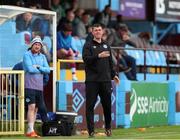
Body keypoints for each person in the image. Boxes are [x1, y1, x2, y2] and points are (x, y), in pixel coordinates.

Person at [82, 24, 119, 137]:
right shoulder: (88, 45)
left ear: (102, 32)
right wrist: (98, 56)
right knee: (90, 106)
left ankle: (108, 128)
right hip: (92, 81)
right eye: (95, 30)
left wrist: (114, 75)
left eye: (99, 30)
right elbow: (86, 60)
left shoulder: (106, 45)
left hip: (105, 81)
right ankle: (91, 131)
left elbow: (110, 63)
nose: (98, 32)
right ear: (92, 32)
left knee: (107, 106)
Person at [23, 36, 50, 138]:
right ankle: (30, 129)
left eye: (39, 45)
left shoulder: (42, 57)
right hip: (29, 85)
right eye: (35, 44)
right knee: (31, 107)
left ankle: (31, 130)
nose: (37, 46)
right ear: (32, 45)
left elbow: (47, 70)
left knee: (36, 109)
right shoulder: (27, 54)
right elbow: (30, 69)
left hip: (39, 86)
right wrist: (41, 69)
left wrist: (38, 67)